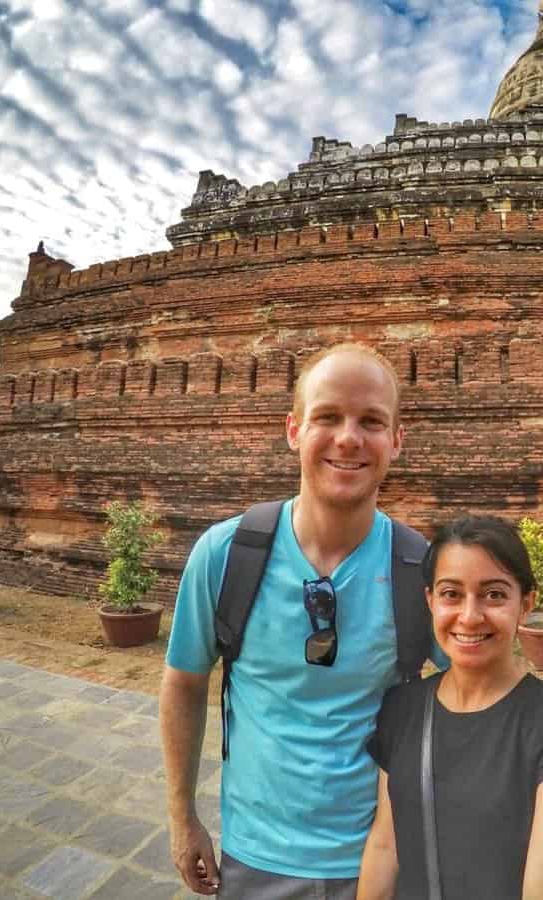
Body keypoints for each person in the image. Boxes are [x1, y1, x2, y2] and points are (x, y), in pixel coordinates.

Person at [159, 343, 445, 899]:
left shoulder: (421, 570)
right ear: (293, 430)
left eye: (371, 421)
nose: (348, 438)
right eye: (327, 417)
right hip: (255, 854)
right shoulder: (226, 555)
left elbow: (483, 693)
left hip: (384, 856)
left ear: (396, 440)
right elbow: (184, 681)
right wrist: (181, 817)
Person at [357, 515, 543, 900]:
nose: (470, 616)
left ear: (526, 604)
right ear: (430, 600)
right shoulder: (402, 709)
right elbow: (386, 844)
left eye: (494, 594)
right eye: (452, 594)